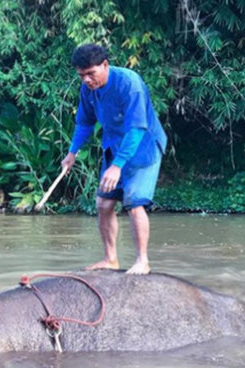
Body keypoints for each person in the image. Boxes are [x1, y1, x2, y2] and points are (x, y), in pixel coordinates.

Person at [61, 44, 167, 275]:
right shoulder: (87, 89)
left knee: (134, 202)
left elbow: (137, 128)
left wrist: (117, 166)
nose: (87, 80)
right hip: (115, 146)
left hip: (143, 147)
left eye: (91, 73)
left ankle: (142, 261)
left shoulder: (130, 84)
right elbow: (85, 122)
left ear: (105, 65)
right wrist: (72, 153)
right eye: (82, 75)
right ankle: (110, 259)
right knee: (103, 204)